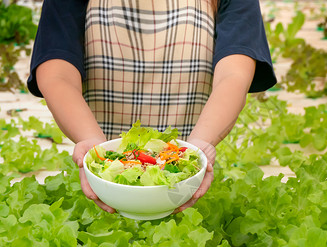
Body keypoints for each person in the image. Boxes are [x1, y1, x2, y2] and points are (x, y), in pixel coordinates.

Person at [27, 0, 277, 214]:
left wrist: (197, 151)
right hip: (97, 179)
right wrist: (95, 151)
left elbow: (234, 74)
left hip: (188, 182)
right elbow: (56, 72)